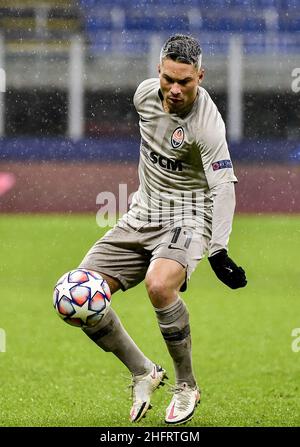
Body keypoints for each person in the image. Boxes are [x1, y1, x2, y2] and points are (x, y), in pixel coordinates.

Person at [64, 34, 247, 425]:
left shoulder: (207, 125)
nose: (175, 90)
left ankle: (186, 385)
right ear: (157, 72)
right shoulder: (144, 95)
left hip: (190, 215)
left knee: (160, 284)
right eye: (168, 79)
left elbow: (224, 185)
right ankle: (143, 371)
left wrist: (219, 249)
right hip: (140, 214)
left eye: (186, 81)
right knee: (75, 299)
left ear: (201, 75)